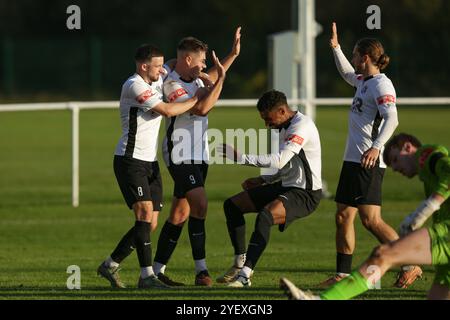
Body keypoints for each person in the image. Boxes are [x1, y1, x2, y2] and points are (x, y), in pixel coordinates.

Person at [280, 133, 450, 300]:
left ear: (408, 147)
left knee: (383, 255)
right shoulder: (425, 173)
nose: (396, 168)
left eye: (396, 160)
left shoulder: (426, 155)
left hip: (446, 235)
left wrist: (422, 212)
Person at [320, 22, 422, 288]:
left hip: (368, 161)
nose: (353, 59)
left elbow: (392, 118)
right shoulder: (364, 81)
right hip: (353, 160)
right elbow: (346, 73)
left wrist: (377, 147)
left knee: (371, 220)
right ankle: (342, 274)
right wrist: (336, 48)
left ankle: (412, 264)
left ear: (365, 58)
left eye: (355, 54)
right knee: (343, 215)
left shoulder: (381, 85)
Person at [97, 44, 198, 289]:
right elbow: (166, 110)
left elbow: (174, 64)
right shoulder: (135, 85)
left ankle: (110, 264)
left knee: (150, 223)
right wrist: (198, 99)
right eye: (156, 66)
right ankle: (146, 277)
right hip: (129, 161)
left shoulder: (157, 74)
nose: (161, 70)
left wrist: (199, 65)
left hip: (150, 163)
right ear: (144, 66)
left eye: (161, 65)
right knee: (143, 215)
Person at [151, 27, 241, 287]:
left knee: (179, 214)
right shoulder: (172, 84)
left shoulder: (196, 79)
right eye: (201, 60)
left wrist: (232, 55)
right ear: (188, 60)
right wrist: (219, 81)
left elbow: (211, 76)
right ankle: (202, 271)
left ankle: (156, 271)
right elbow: (201, 109)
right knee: (200, 204)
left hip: (199, 154)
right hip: (179, 154)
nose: (204, 65)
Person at [217, 89, 323, 287]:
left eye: (268, 119)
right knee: (232, 205)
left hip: (305, 194)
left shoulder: (301, 126)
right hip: (285, 186)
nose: (267, 125)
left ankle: (244, 276)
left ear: (282, 111)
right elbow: (288, 165)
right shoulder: (284, 126)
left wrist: (241, 158)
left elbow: (281, 160)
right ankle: (240, 263)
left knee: (265, 216)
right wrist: (264, 180)